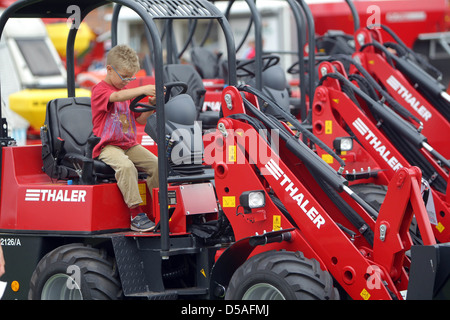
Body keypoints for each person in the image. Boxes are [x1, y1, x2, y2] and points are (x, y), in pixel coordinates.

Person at [91, 44, 159, 232]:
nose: (127, 81)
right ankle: (136, 214)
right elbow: (117, 96)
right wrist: (142, 89)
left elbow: (140, 119)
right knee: (126, 166)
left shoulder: (126, 92)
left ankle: (160, 209)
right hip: (107, 146)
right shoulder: (100, 91)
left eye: (131, 77)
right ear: (109, 69)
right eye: (124, 76)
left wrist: (151, 105)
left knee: (156, 164)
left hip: (128, 144)